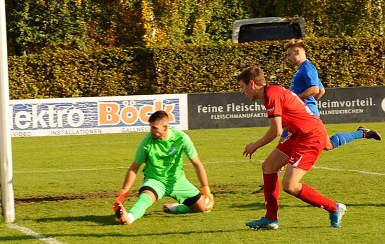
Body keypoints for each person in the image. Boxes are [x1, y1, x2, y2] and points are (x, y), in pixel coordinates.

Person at [252, 39, 380, 193]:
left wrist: (296, 103)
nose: (288, 58)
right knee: (327, 145)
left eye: (289, 54)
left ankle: (270, 183)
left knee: (285, 143)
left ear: (297, 51)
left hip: (305, 114)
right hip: (306, 112)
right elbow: (322, 90)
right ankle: (362, 133)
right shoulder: (304, 69)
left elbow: (314, 89)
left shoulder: (307, 68)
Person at [238, 66, 347, 230]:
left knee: (290, 186)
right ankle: (270, 218)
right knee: (269, 166)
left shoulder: (271, 95)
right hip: (297, 134)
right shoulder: (270, 93)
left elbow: (276, 131)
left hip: (310, 137)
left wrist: (255, 145)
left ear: (252, 84)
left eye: (242, 87)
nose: (242, 91)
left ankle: (334, 207)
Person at [113, 110, 214, 225]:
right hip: (155, 181)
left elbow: (197, 164)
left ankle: (173, 208)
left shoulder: (181, 138)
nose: (151, 131)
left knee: (204, 208)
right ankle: (129, 217)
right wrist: (124, 192)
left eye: (154, 128)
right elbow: (134, 168)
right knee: (145, 198)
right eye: (150, 127)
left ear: (165, 127)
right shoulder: (146, 143)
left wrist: (206, 190)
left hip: (178, 181)